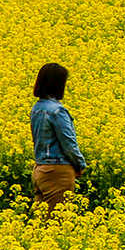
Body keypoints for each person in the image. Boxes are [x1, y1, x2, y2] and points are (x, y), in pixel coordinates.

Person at [30, 62, 87, 208]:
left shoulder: (37, 108)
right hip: (57, 171)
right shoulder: (57, 111)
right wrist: (80, 164)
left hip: (40, 169)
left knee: (42, 217)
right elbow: (68, 142)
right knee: (58, 218)